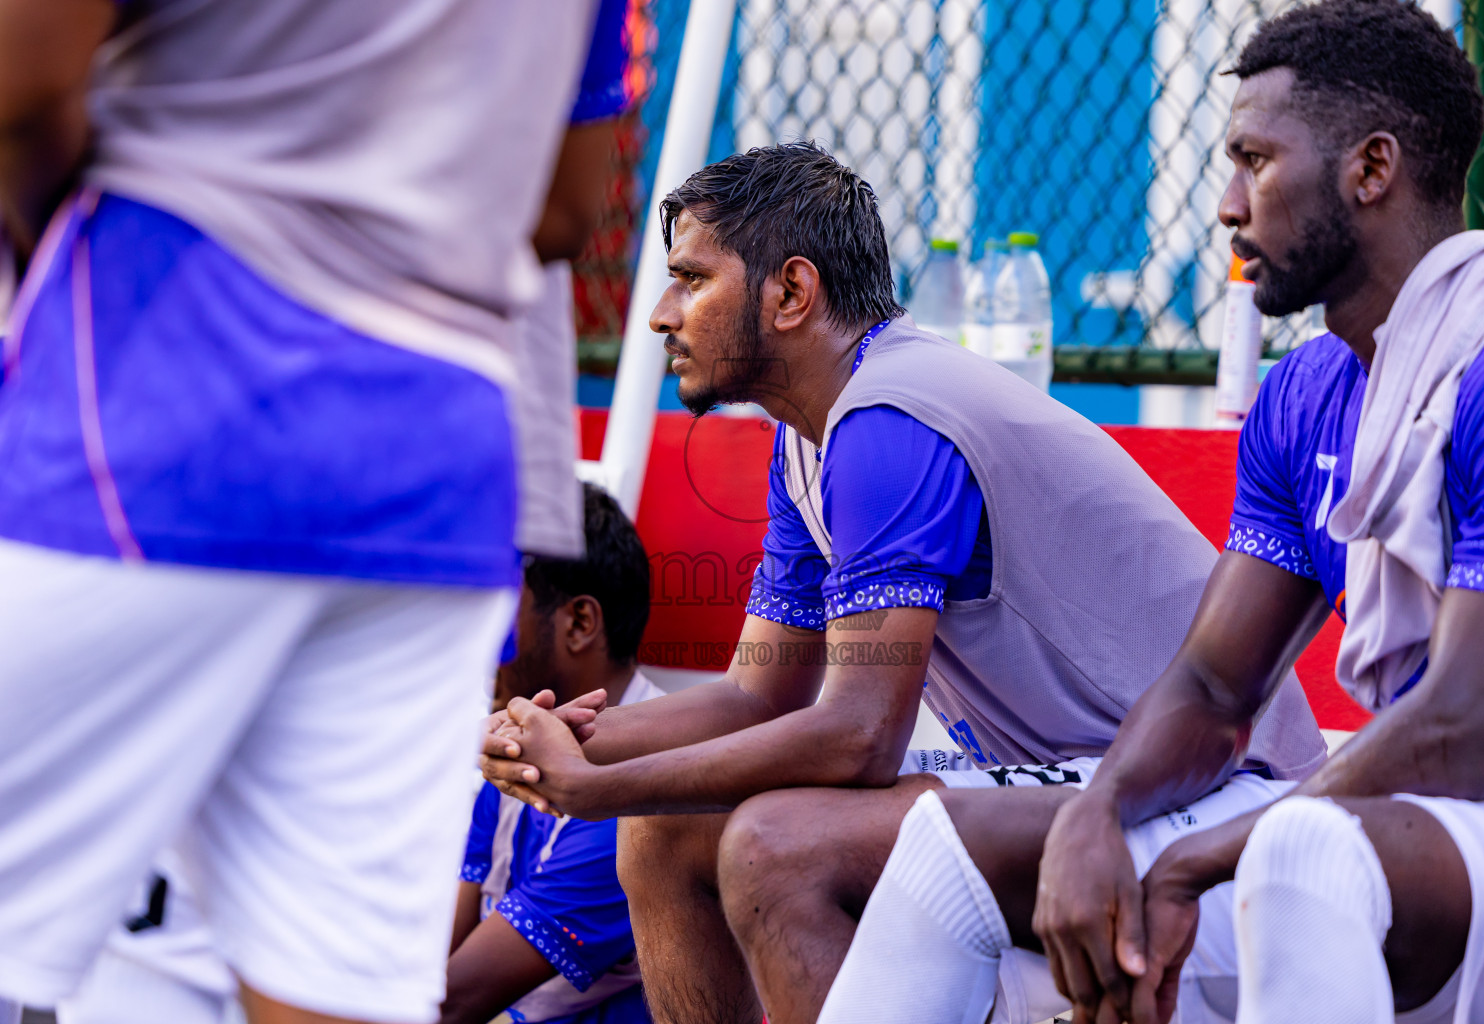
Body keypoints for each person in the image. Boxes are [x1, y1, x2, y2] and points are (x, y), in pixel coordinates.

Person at [479, 141, 1325, 1024]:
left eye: (691, 280)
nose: (661, 314)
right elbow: (755, 698)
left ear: (791, 293)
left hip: (1220, 797)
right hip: (1073, 782)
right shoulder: (811, 436)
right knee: (667, 830)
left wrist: (597, 787)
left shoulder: (890, 421)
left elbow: (860, 739)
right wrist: (574, 737)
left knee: (776, 848)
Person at [822, 2, 1484, 1022]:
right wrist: (1098, 812)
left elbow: (1468, 725)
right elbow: (1212, 685)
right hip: (1420, 837)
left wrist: (1193, 863)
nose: (1228, 207)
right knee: (949, 854)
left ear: (1371, 169)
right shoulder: (1306, 393)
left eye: (1256, 162)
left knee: (1303, 854)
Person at [0, 3, 600, 1023]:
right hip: (432, 465)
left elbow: (22, 75)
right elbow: (564, 200)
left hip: (160, 390)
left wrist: (65, 241)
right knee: (326, 994)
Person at [444, 484, 661, 1024]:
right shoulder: (514, 743)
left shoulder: (645, 791)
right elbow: (437, 956)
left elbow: (449, 1002)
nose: (473, 639)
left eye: (497, 604)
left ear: (580, 622)